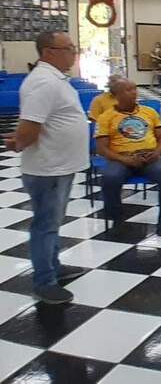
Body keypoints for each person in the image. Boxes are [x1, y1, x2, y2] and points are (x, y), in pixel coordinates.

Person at [5, 32, 89, 304]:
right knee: (45, 225)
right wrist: (19, 141)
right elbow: (30, 126)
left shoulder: (55, 79)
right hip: (48, 168)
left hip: (59, 165)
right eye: (69, 48)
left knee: (53, 223)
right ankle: (44, 282)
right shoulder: (43, 81)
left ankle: (54, 266)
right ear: (48, 52)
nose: (74, 52)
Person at [95, 79, 161, 240]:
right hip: (121, 159)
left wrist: (157, 152)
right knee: (110, 178)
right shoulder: (106, 117)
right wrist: (124, 159)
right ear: (117, 95)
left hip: (149, 156)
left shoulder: (149, 112)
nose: (134, 92)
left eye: (134, 88)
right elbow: (101, 148)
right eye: (128, 90)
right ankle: (118, 221)